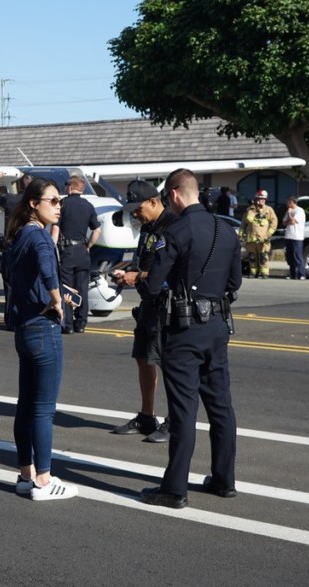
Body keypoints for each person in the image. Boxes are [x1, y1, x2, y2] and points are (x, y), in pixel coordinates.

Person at [140, 168, 242, 509]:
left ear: (173, 195)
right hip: (218, 326)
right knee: (221, 406)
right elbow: (235, 283)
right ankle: (224, 480)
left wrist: (146, 281)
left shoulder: (175, 230)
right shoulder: (226, 229)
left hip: (184, 330)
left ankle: (174, 489)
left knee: (184, 410)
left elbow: (153, 283)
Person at [3, 176, 79, 501]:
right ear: (34, 204)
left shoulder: (19, 235)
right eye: (53, 201)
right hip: (43, 329)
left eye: (60, 201)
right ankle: (44, 481)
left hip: (23, 328)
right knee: (44, 409)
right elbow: (47, 270)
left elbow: (22, 277)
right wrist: (57, 300)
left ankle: (26, 475)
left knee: (26, 405)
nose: (59, 207)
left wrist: (58, 292)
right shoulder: (40, 237)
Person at [109, 180, 175, 444]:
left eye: (138, 208)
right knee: (144, 357)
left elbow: (172, 270)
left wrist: (137, 276)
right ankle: (147, 417)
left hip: (167, 303)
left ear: (153, 201)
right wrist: (128, 272)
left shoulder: (173, 227)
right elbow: (145, 261)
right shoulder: (149, 228)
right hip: (148, 301)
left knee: (168, 363)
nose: (135, 214)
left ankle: (175, 420)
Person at [51, 175, 101, 334]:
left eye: (66, 185)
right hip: (82, 251)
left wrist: (51, 248)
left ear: (71, 187)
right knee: (82, 289)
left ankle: (68, 324)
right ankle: (81, 324)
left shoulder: (63, 204)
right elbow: (97, 230)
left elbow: (55, 228)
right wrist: (88, 246)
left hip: (67, 252)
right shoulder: (89, 205)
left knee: (66, 288)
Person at [240, 189, 278, 278]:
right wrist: (240, 234)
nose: (262, 200)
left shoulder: (269, 210)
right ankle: (253, 273)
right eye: (260, 199)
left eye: (263, 199)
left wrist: (268, 235)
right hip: (250, 239)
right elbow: (243, 223)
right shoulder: (250, 210)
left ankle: (264, 273)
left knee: (263, 257)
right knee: (252, 257)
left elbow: (274, 224)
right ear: (256, 199)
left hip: (263, 239)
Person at [0, 171, 33, 236]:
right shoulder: (34, 202)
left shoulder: (9, 199)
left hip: (10, 239)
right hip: (28, 237)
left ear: (18, 186)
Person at [283, 196, 306, 280]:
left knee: (297, 256)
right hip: (288, 236)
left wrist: (289, 214)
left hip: (297, 237)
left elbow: (293, 221)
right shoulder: (288, 211)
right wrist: (289, 216)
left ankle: (301, 274)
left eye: (289, 202)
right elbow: (284, 223)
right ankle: (292, 274)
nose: (287, 204)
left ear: (293, 202)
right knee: (290, 257)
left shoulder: (299, 210)